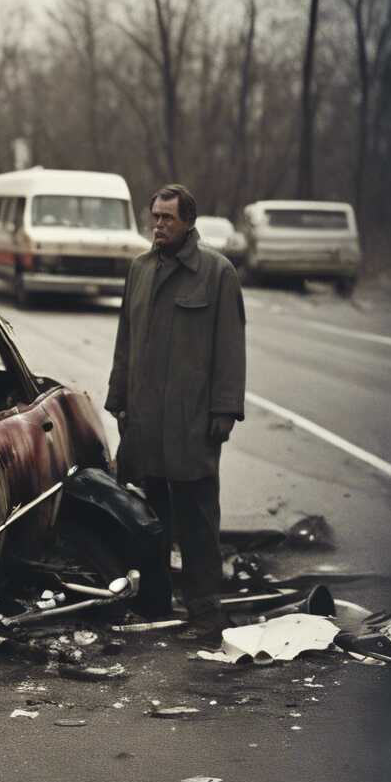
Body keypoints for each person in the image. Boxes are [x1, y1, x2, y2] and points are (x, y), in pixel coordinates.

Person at [106, 183, 246, 638]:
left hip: (191, 421)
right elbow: (125, 340)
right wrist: (119, 401)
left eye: (168, 218)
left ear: (189, 221)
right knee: (151, 517)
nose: (159, 225)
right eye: (155, 217)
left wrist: (224, 411)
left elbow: (230, 348)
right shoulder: (140, 270)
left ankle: (205, 614)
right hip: (146, 418)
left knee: (197, 519)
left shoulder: (216, 273)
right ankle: (156, 601)